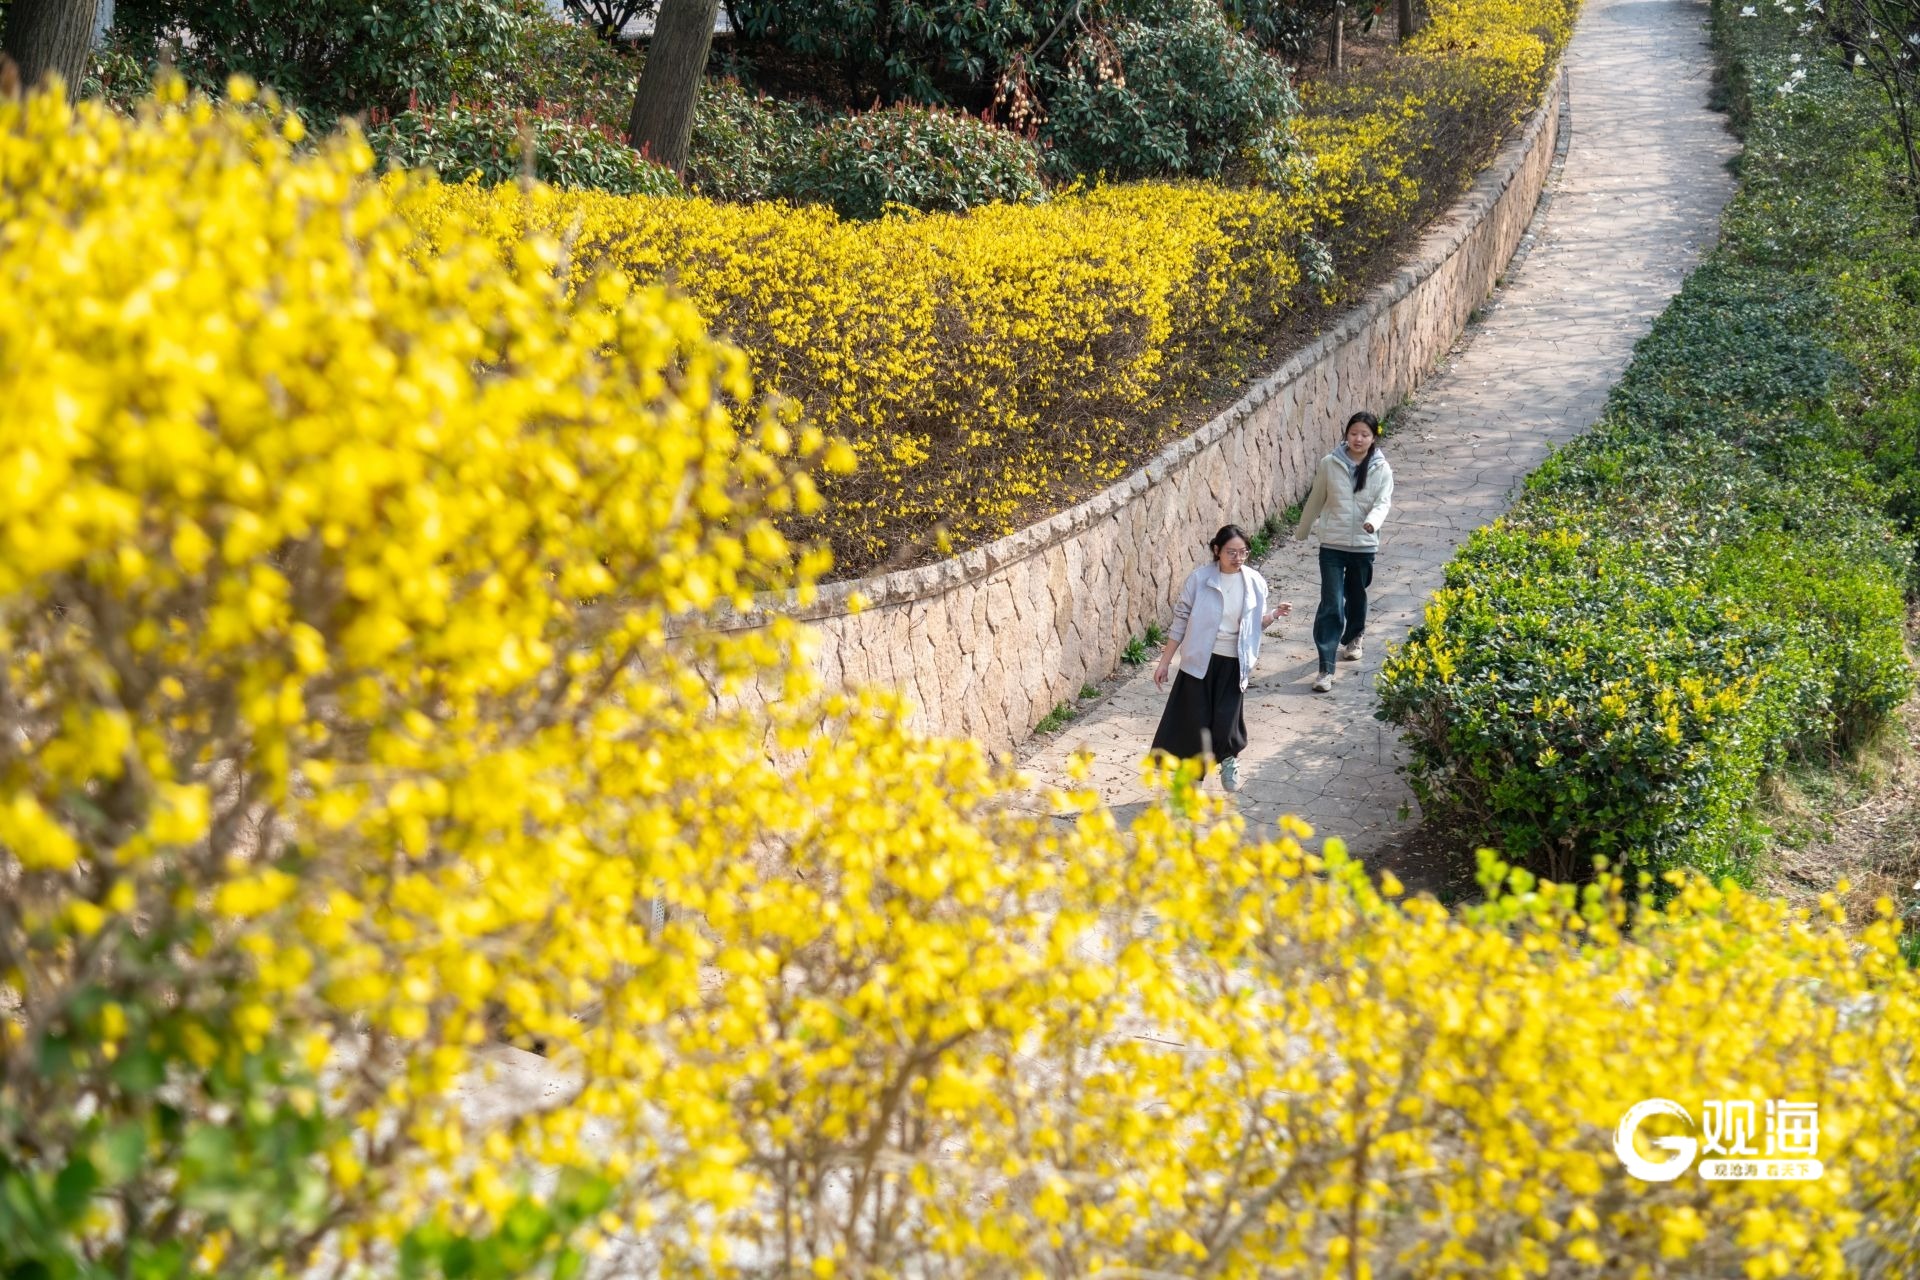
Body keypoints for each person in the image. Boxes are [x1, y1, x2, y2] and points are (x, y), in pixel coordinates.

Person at [1150, 524, 1291, 793]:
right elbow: (1180, 621)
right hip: (1199, 663)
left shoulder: (1255, 582)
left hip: (1234, 662)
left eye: (1243, 552)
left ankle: (1228, 758)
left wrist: (1274, 615)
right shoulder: (1200, 580)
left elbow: (1255, 624)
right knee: (1194, 724)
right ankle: (1192, 786)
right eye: (1231, 552)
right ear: (1217, 550)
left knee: (1226, 719)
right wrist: (1165, 662)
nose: (1238, 558)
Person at [1295, 410, 1393, 692]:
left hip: (1364, 545)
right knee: (1331, 603)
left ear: (1373, 438)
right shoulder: (1330, 463)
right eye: (1353, 433)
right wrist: (1304, 528)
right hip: (1332, 545)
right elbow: (1317, 497)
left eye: (1364, 434)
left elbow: (1383, 502)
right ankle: (1326, 668)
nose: (1358, 439)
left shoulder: (1381, 468)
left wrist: (1373, 522)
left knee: (1356, 595)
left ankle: (1354, 635)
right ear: (1346, 434)